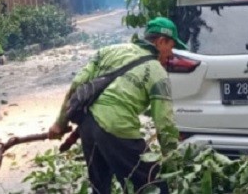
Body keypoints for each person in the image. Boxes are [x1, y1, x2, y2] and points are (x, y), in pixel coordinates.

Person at [47, 17, 185, 194]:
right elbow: (165, 125)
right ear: (161, 41)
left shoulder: (109, 51)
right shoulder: (158, 74)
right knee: (153, 186)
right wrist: (172, 165)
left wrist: (60, 123)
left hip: (87, 126)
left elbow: (77, 85)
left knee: (100, 187)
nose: (172, 54)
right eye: (171, 47)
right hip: (117, 129)